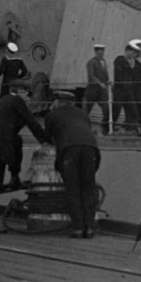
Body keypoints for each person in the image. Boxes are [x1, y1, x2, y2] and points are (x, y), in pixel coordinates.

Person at [0, 81, 46, 233]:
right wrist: (46, 142)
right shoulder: (16, 101)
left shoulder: (6, 101)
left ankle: (14, 176)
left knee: (17, 141)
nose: (30, 98)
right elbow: (31, 122)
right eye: (29, 94)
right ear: (20, 92)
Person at [45, 90, 101, 238]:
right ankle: (89, 227)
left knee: (72, 188)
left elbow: (47, 137)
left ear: (57, 102)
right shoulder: (83, 114)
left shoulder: (52, 114)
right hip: (91, 149)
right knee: (88, 187)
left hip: (69, 150)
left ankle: (77, 227)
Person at [112, 42, 139, 133]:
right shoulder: (119, 60)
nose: (133, 55)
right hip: (119, 90)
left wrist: (133, 65)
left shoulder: (133, 62)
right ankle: (108, 127)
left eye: (135, 53)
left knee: (132, 110)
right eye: (132, 52)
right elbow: (118, 75)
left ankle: (131, 129)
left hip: (128, 91)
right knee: (116, 110)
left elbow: (135, 76)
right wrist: (126, 84)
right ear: (127, 51)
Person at [83, 44, 110, 134]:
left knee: (106, 108)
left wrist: (107, 81)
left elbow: (105, 75)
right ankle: (84, 128)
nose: (102, 52)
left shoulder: (104, 61)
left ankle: (105, 128)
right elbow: (91, 75)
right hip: (92, 89)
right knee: (87, 110)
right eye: (100, 50)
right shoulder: (91, 62)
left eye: (103, 50)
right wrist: (100, 83)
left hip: (102, 91)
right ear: (96, 51)